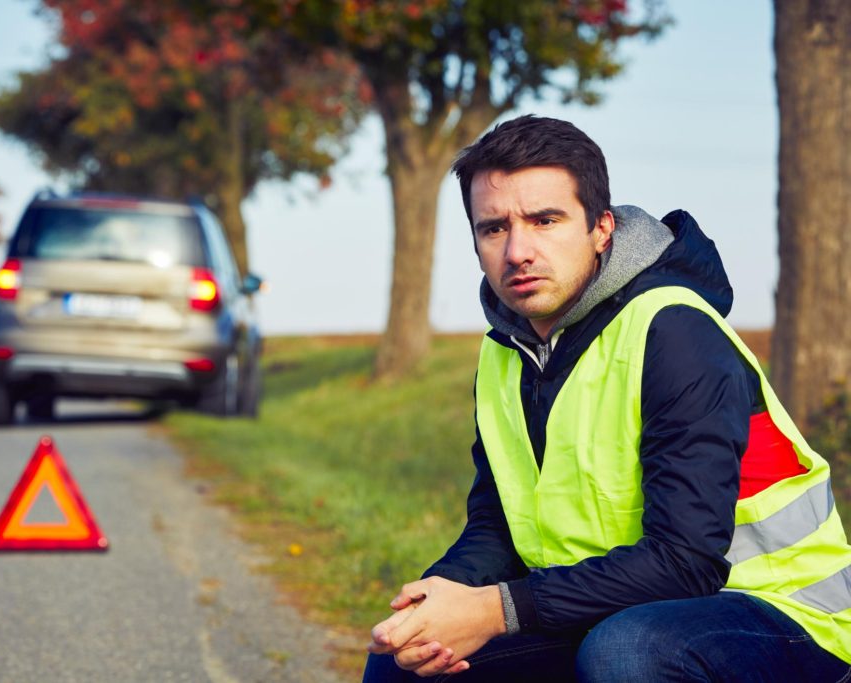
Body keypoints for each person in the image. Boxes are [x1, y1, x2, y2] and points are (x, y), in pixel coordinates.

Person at [362, 115, 851, 682]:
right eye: (494, 228)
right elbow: (497, 527)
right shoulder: (505, 354)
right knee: (404, 666)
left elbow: (687, 561)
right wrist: (438, 602)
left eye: (546, 220)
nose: (518, 250)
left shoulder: (673, 330)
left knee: (625, 654)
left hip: (782, 616)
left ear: (601, 229)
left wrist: (497, 609)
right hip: (610, 606)